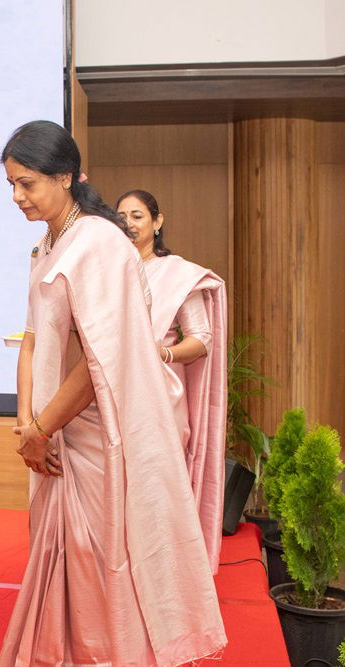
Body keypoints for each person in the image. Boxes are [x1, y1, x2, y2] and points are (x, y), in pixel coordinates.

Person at [0, 121, 225, 667]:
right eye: (10, 185)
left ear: (66, 177)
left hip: (92, 441)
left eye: (26, 183)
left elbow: (97, 364)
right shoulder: (48, 246)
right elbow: (35, 341)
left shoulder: (100, 245)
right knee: (55, 576)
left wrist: (42, 427)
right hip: (55, 436)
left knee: (95, 583)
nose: (17, 196)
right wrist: (26, 420)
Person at [117, 189, 228, 573]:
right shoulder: (111, 271)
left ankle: (165, 568)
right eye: (122, 217)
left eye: (137, 216)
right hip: (112, 393)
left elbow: (201, 340)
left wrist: (161, 354)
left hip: (163, 394)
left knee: (159, 484)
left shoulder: (178, 274)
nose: (129, 224)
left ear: (157, 222)